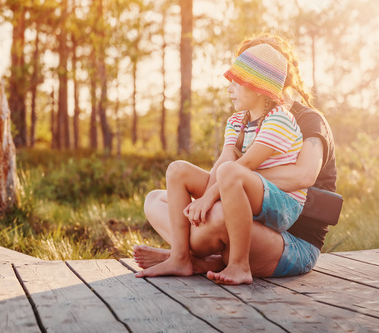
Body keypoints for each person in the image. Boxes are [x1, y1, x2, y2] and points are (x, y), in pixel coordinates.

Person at [135, 35, 316, 285]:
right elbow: (223, 162)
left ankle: (239, 265)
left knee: (231, 172)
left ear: (258, 87)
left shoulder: (279, 120)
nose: (229, 88)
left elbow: (246, 165)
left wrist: (208, 198)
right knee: (178, 170)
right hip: (245, 187)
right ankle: (180, 258)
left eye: (236, 83)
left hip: (283, 203)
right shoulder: (236, 121)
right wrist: (200, 202)